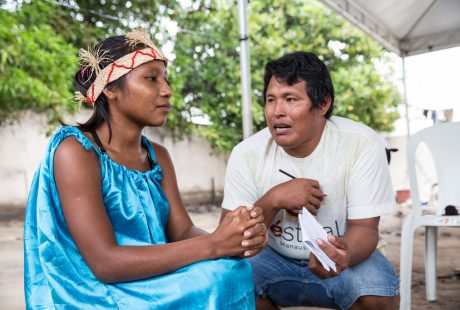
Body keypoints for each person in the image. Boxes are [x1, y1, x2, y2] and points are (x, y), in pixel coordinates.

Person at [23, 28, 267, 309]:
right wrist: (214, 246)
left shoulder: (157, 156)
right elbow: (105, 263)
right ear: (111, 89)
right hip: (97, 290)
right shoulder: (76, 152)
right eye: (151, 79)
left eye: (165, 79)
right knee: (212, 280)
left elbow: (183, 232)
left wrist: (233, 240)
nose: (167, 90)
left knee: (232, 270)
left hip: (150, 278)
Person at [221, 51, 400, 309]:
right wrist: (274, 199)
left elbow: (365, 229)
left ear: (323, 104)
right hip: (274, 258)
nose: (276, 112)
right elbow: (229, 237)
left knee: (377, 296)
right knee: (226, 281)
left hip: (344, 257)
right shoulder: (246, 153)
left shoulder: (361, 144)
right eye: (270, 100)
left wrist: (342, 253)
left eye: (290, 99)